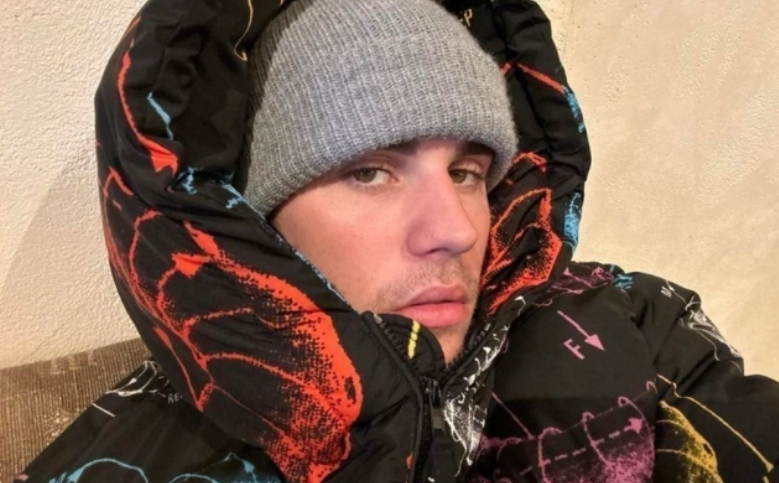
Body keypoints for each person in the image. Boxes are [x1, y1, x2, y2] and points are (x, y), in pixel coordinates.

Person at [15, 0, 779, 482]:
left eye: (468, 171)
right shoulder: (130, 457)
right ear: (257, 213)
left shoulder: (633, 315)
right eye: (369, 172)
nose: (455, 230)